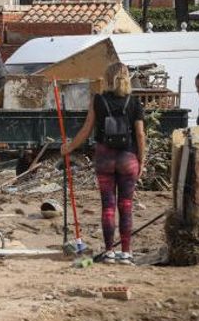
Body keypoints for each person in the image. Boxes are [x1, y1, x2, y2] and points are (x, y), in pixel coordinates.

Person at [62, 62, 146, 265]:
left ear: (107, 79)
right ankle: (126, 253)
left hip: (105, 158)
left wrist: (69, 148)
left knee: (107, 206)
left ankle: (109, 251)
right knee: (126, 205)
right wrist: (141, 160)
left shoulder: (98, 100)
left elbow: (86, 129)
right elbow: (140, 135)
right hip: (128, 158)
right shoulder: (134, 103)